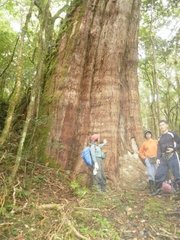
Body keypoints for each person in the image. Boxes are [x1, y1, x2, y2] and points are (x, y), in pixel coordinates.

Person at [152, 120, 180, 195]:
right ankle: (158, 189)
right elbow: (159, 149)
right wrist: (158, 158)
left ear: (167, 125)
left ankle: (178, 190)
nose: (161, 126)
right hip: (163, 158)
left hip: (173, 155)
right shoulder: (159, 137)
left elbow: (179, 143)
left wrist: (174, 148)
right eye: (160, 125)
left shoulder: (172, 134)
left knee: (177, 173)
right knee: (159, 174)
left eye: (163, 125)